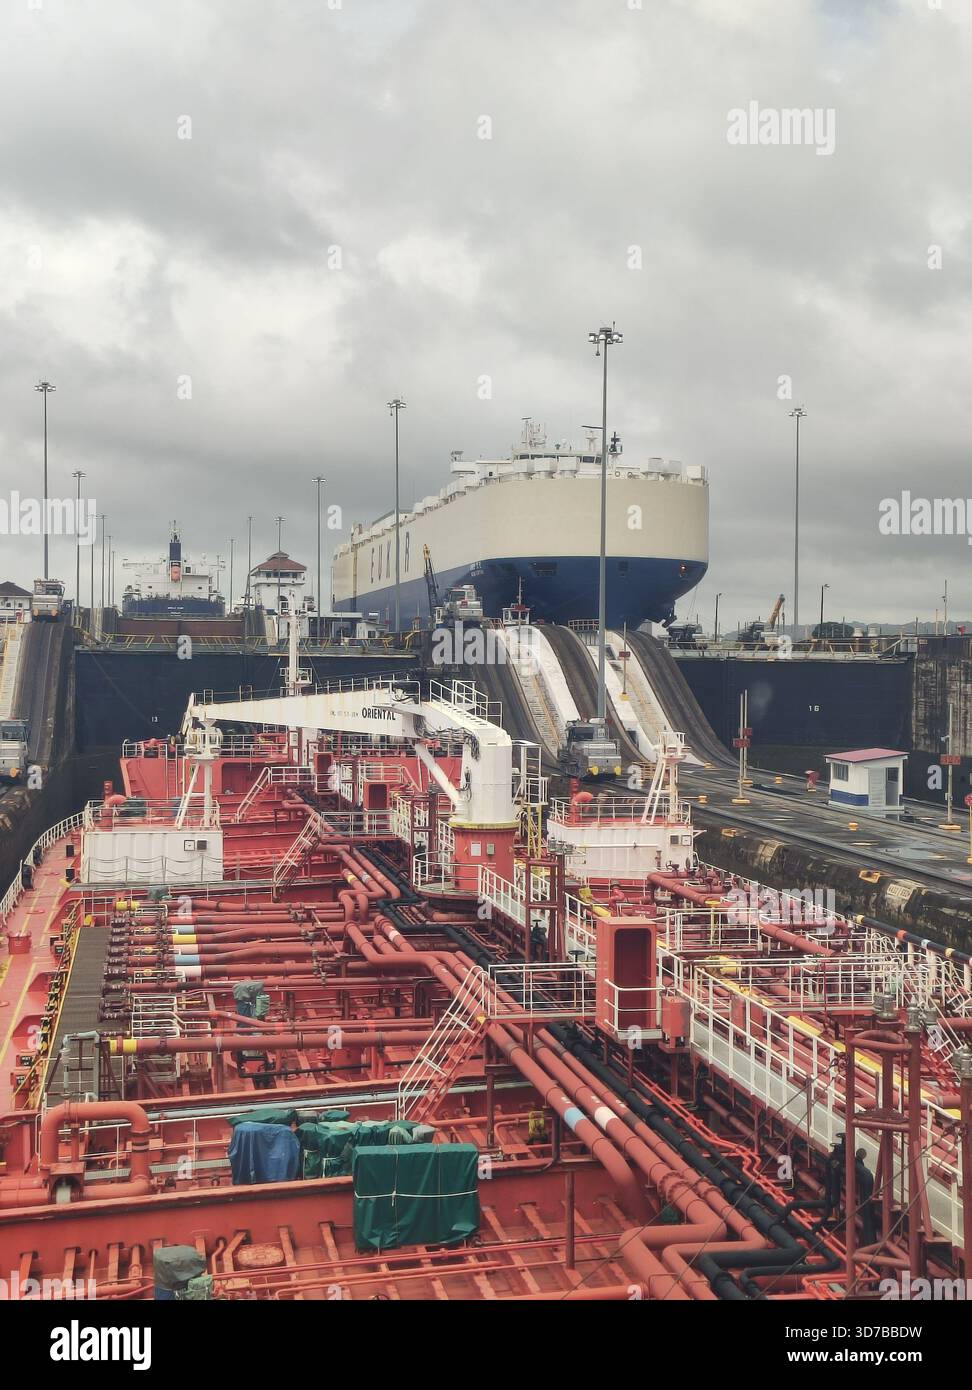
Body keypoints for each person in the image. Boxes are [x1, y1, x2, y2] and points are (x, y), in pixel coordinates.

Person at [855, 1148, 878, 1245]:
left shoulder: (861, 1170)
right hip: (867, 1185)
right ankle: (870, 1242)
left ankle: (869, 1242)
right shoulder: (864, 1171)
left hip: (866, 1186)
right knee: (868, 1215)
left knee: (867, 1216)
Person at [823, 1133, 846, 1222]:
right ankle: (829, 1209)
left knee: (832, 1197)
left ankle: (827, 1211)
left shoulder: (833, 1159)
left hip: (836, 1166)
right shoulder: (834, 1160)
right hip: (837, 1166)